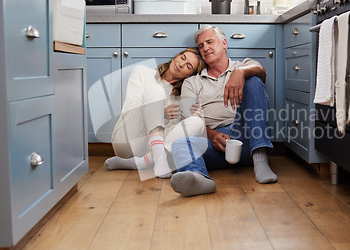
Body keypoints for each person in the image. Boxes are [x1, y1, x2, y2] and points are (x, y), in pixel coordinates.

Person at [170, 25, 277, 197]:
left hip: (246, 138)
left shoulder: (243, 65)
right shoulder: (192, 83)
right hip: (215, 143)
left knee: (254, 80)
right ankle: (199, 178)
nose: (205, 48)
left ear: (224, 43)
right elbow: (190, 121)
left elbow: (261, 71)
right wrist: (211, 135)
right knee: (180, 144)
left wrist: (240, 73)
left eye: (209, 42)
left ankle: (260, 159)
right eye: (201, 46)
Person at [104, 47, 207, 179]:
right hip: (126, 140)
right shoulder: (142, 72)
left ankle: (144, 161)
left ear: (189, 75)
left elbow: (187, 131)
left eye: (188, 66)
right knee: (154, 90)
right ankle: (156, 159)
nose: (181, 64)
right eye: (182, 58)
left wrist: (195, 114)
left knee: (197, 123)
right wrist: (161, 113)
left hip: (150, 147)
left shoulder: (183, 94)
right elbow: (131, 107)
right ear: (176, 56)